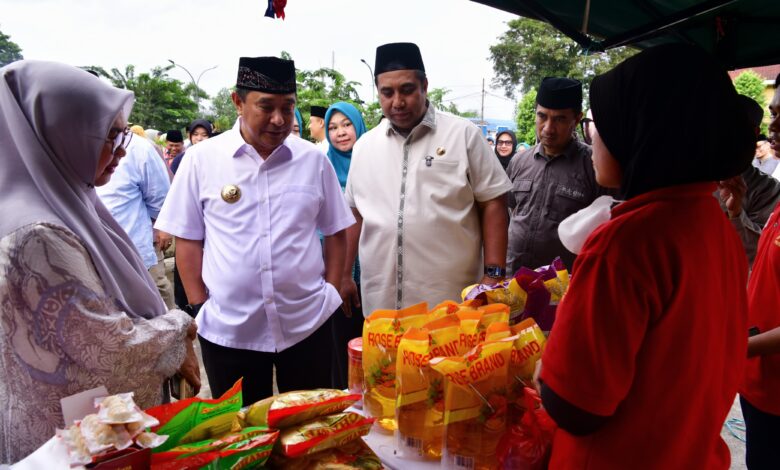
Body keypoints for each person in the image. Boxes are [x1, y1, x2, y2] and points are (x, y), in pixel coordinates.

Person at [539, 44, 754, 469]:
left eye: (597, 124)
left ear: (640, 129)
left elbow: (573, 406)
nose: (594, 136)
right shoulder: (713, 222)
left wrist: (543, 367)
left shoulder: (626, 242)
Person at [0, 61, 198, 463]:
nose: (122, 150)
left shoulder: (65, 200)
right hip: (69, 441)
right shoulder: (38, 233)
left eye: (122, 133)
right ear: (59, 134)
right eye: (109, 135)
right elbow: (110, 351)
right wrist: (179, 329)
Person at [154, 56, 354, 404]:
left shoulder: (312, 160)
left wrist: (332, 292)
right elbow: (188, 239)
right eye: (266, 107)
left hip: (307, 324)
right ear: (238, 102)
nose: (278, 120)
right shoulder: (204, 159)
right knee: (245, 436)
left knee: (310, 428)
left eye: (288, 108)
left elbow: (337, 231)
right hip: (230, 331)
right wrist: (200, 305)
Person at [344, 42, 511, 314]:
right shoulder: (364, 146)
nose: (397, 102)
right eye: (387, 92)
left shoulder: (463, 135)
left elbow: (493, 202)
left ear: (425, 85)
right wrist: (343, 275)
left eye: (407, 90)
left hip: (451, 306)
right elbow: (354, 213)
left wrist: (494, 275)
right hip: (383, 310)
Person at [506, 77, 609, 274]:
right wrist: (496, 272)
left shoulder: (595, 166)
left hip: (564, 290)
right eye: (542, 116)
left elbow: (606, 233)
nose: (548, 128)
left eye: (560, 119)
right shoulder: (519, 162)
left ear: (576, 119)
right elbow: (507, 217)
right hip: (513, 282)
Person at [739, 77, 780, 469]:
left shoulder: (768, 190)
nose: (775, 129)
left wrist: (737, 348)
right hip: (756, 384)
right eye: (775, 114)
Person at [96, 128, 175, 309]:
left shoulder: (140, 149)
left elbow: (160, 199)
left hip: (137, 248)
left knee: (155, 298)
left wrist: (159, 230)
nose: (119, 152)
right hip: (95, 255)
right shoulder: (73, 144)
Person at [323, 101, 368, 389]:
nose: (340, 132)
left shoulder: (374, 163)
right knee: (340, 344)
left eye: (347, 124)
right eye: (333, 127)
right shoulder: (321, 165)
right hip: (334, 270)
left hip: (373, 267)